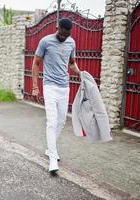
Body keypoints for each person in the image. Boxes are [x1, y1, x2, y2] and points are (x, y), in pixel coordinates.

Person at [32, 18, 80, 174]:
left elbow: (71, 63)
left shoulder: (71, 43)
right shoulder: (45, 42)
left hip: (64, 87)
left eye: (67, 35)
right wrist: (35, 87)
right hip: (50, 86)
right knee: (52, 122)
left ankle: (49, 148)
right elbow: (36, 63)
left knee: (61, 121)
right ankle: (53, 158)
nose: (64, 37)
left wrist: (80, 73)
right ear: (57, 28)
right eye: (62, 34)